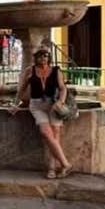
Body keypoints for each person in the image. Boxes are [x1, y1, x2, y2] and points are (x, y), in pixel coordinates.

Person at [10, 46, 72, 179]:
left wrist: (60, 101)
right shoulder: (30, 70)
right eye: (40, 56)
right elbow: (22, 89)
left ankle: (52, 168)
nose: (43, 58)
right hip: (37, 105)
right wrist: (15, 104)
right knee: (46, 132)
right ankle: (65, 164)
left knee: (55, 135)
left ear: (49, 58)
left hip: (53, 105)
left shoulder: (56, 71)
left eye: (45, 56)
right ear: (35, 57)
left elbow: (62, 88)